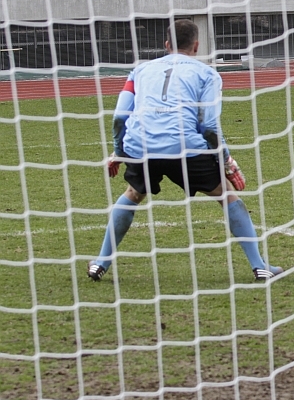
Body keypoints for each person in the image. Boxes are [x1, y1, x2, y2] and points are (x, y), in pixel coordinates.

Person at [88, 20, 282, 282]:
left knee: (133, 193)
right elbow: (209, 125)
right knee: (226, 195)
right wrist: (226, 161)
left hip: (141, 146)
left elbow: (120, 117)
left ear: (166, 44)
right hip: (184, 147)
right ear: (196, 45)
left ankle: (100, 263)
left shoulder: (140, 71)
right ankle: (259, 266)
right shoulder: (207, 74)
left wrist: (118, 152)